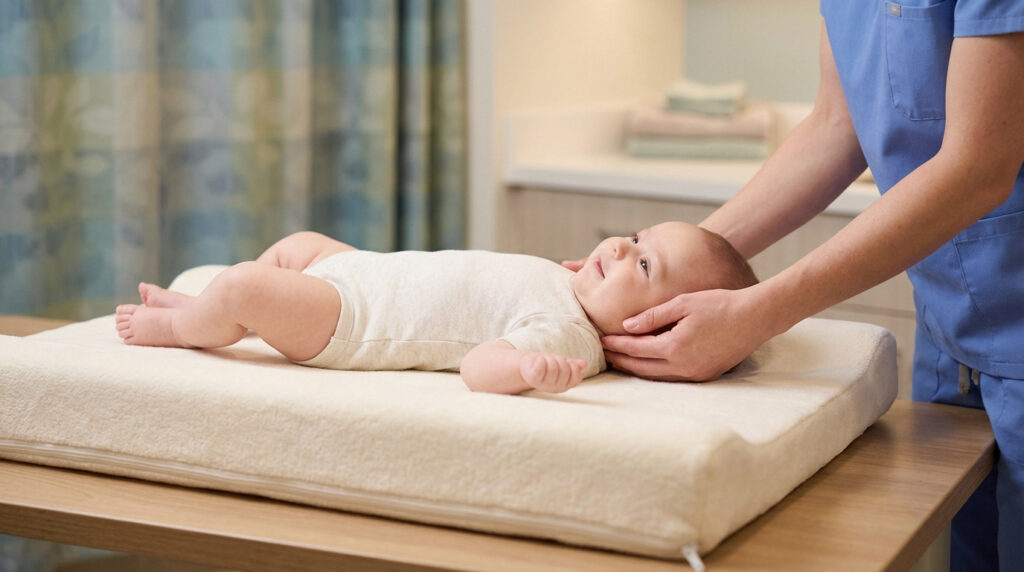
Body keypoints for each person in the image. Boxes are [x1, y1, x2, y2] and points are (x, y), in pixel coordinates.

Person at [587, 4, 1023, 570]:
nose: (622, 247)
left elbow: (978, 165)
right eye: (634, 239)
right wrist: (667, 268)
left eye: (639, 251)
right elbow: (835, 127)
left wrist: (757, 311)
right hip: (950, 327)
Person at [115, 222, 757, 395]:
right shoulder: (570, 286)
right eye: (638, 237)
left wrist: (528, 371)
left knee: (247, 284)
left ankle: (183, 324)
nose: (620, 245)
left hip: (352, 322)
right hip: (363, 271)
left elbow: (480, 367)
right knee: (295, 246)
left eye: (642, 266)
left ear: (653, 326)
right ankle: (212, 312)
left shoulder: (568, 335)